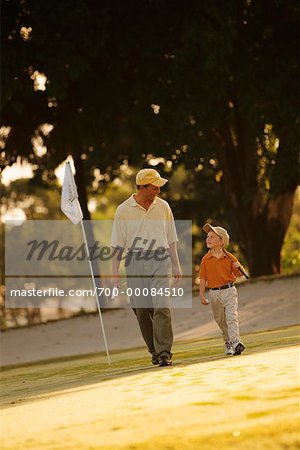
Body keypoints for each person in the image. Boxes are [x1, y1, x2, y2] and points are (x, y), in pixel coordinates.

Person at [111, 168, 182, 366]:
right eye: (154, 187)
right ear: (142, 187)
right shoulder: (123, 210)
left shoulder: (164, 207)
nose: (158, 191)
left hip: (161, 261)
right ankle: (154, 350)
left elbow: (171, 239)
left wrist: (176, 265)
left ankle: (164, 353)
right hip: (134, 263)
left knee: (162, 306)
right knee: (142, 310)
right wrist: (115, 274)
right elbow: (117, 244)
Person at [199, 223, 245, 356]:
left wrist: (239, 267)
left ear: (221, 241)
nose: (208, 239)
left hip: (229, 290)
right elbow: (202, 278)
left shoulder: (230, 257)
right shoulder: (205, 259)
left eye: (212, 237)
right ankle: (228, 341)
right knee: (220, 320)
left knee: (232, 317)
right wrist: (202, 295)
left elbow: (239, 274)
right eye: (207, 236)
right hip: (214, 293)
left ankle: (236, 342)